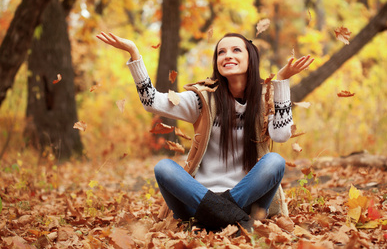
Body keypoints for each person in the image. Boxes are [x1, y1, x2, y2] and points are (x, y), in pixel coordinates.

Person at [96, 31, 313, 232]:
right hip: (195, 202)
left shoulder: (265, 98)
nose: (227, 55)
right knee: (164, 168)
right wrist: (135, 54)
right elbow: (152, 102)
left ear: (251, 58)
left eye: (236, 50)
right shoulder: (203, 99)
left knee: (274, 161)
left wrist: (282, 81)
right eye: (221, 52)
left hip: (247, 202)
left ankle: (217, 218)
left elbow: (282, 135)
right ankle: (236, 221)